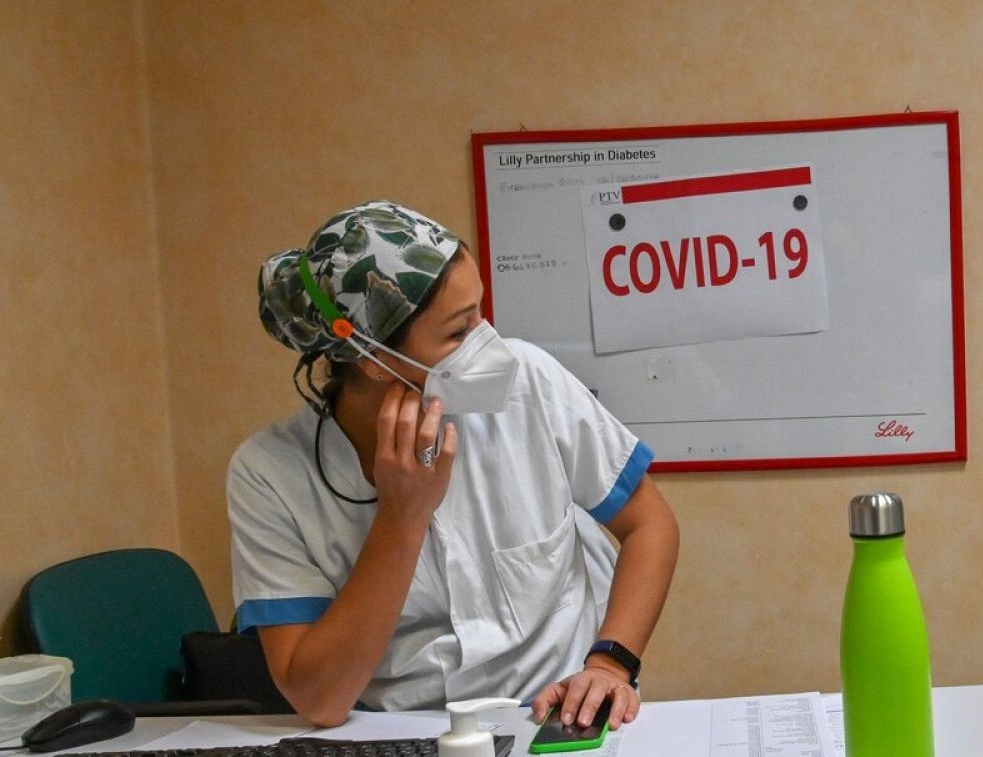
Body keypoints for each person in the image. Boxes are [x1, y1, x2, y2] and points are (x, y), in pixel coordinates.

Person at [236, 200, 679, 729]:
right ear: (371, 358)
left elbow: (650, 524)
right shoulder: (269, 474)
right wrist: (402, 517)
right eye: (458, 332)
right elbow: (319, 700)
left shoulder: (528, 385)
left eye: (480, 315)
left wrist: (610, 663)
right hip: (400, 731)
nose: (487, 344)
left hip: (557, 716)